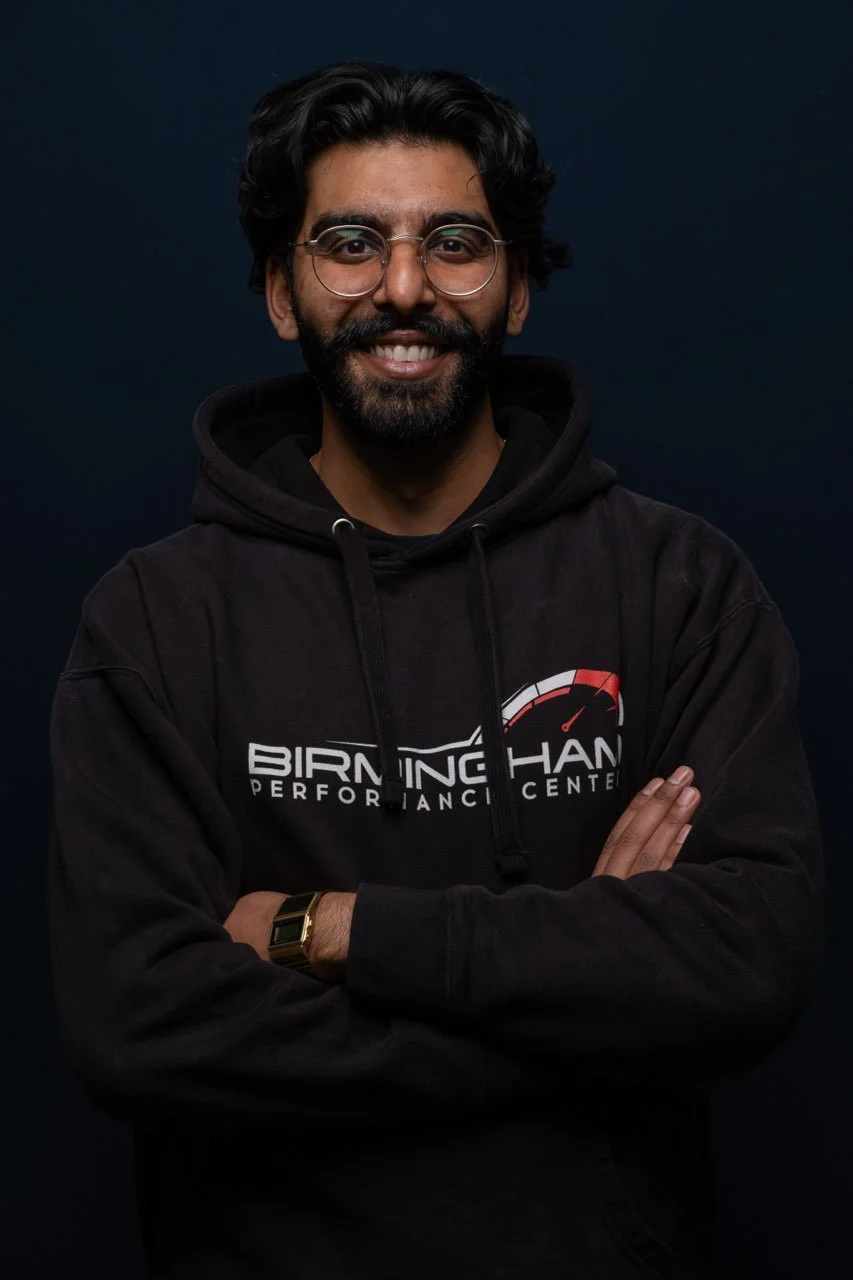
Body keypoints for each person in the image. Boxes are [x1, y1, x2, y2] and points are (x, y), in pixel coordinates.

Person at [48, 60, 823, 1280]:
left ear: (514, 289)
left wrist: (333, 929)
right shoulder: (155, 617)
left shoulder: (676, 583)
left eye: (455, 242)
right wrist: (586, 987)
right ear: (278, 290)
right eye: (349, 243)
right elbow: (138, 1021)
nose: (403, 288)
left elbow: (748, 958)